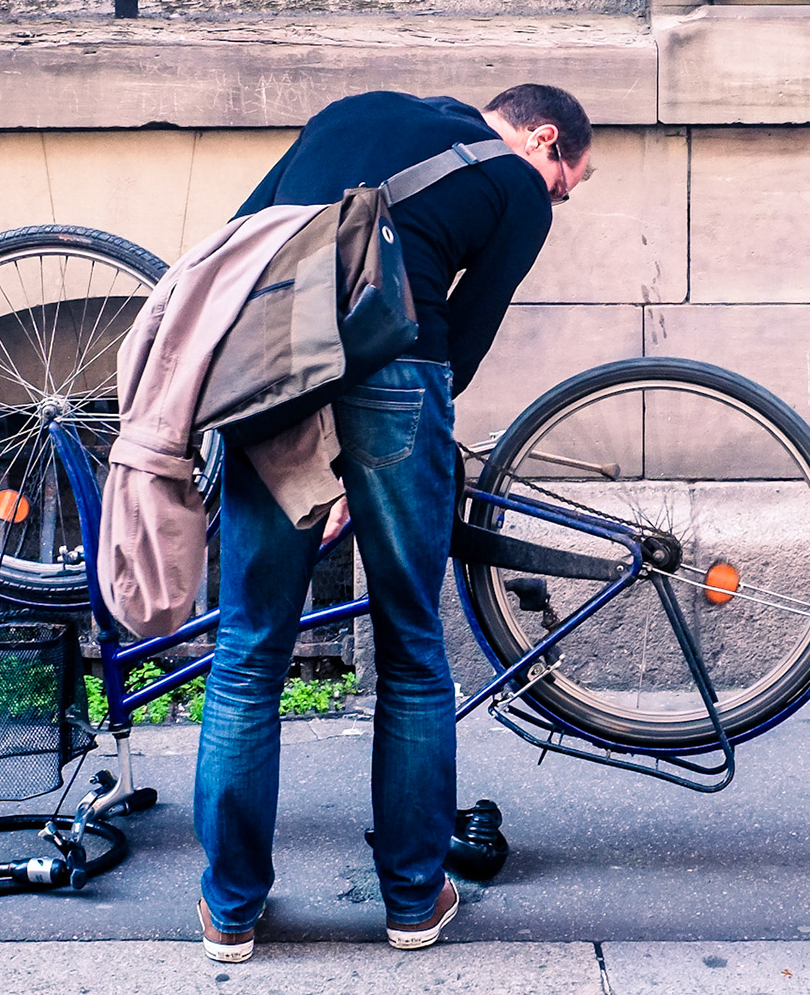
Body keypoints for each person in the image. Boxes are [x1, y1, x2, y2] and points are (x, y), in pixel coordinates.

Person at [193, 85, 593, 962]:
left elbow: (239, 238)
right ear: (543, 138)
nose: (562, 195)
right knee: (411, 647)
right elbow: (466, 339)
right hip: (399, 373)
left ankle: (230, 911)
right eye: (570, 179)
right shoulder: (517, 185)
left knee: (249, 647)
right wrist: (385, 450)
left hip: (274, 373)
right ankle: (413, 901)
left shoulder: (352, 111)